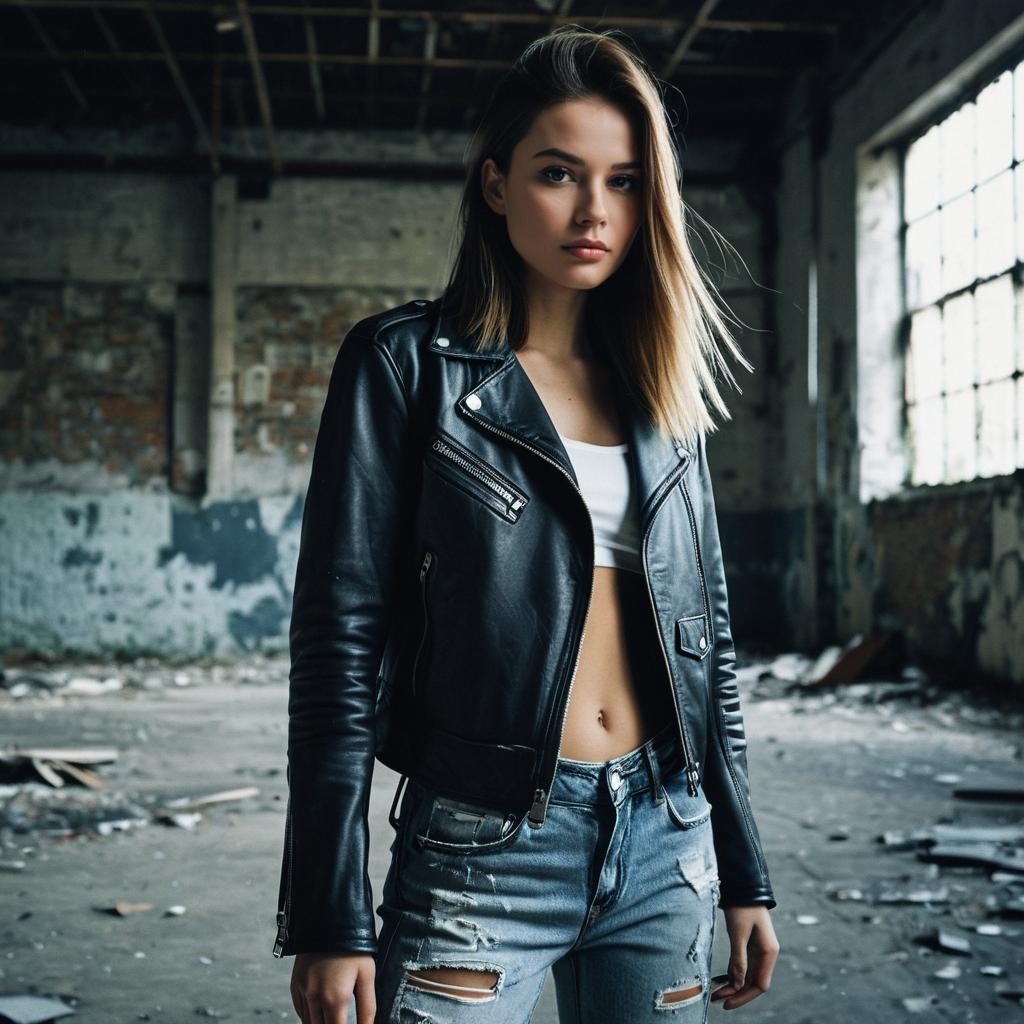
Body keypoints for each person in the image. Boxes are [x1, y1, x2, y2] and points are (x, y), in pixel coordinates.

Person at [274, 25, 779, 1024]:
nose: (593, 210)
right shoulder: (403, 366)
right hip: (482, 849)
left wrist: (743, 866)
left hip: (663, 840)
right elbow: (338, 644)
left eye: (625, 181)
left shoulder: (663, 395)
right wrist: (331, 914)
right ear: (496, 184)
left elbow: (704, 648)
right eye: (559, 172)